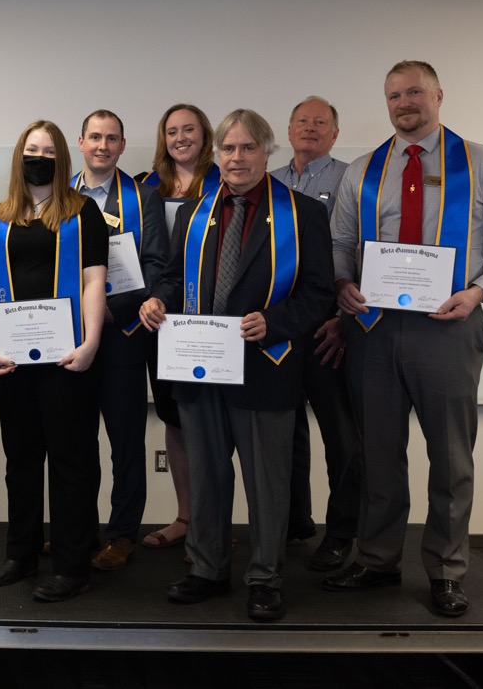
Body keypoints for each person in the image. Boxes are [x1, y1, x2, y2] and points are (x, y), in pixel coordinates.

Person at [323, 61, 483, 617]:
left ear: (439, 94)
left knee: (449, 456)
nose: (403, 103)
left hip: (449, 327)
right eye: (394, 95)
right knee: (377, 453)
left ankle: (446, 569)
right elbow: (340, 241)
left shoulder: (482, 162)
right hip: (373, 331)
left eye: (414, 91)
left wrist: (479, 291)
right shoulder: (364, 169)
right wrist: (343, 280)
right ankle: (376, 559)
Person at [139, 109, 334, 621]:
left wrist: (275, 321)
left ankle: (265, 577)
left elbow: (318, 295)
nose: (236, 158)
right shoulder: (193, 214)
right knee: (205, 476)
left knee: (267, 482)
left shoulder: (303, 213)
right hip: (200, 367)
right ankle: (208, 568)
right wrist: (157, 301)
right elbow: (173, 277)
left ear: (265, 152)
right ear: (216, 154)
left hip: (265, 366)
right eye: (228, 149)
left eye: (248, 148)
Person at [0, 120, 108, 603]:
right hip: (12, 359)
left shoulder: (83, 213)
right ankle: (22, 552)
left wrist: (91, 341)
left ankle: (73, 564)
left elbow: (95, 281)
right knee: (22, 459)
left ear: (62, 158)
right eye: (32, 149)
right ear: (18, 155)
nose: (39, 156)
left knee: (72, 461)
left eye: (48, 150)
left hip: (68, 355)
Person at [269, 96, 363, 573]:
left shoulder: (353, 179)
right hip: (281, 328)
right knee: (284, 432)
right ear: (288, 130)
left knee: (341, 436)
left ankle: (342, 532)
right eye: (302, 121)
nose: (310, 128)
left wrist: (346, 321)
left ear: (334, 133)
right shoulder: (271, 184)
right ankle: (293, 522)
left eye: (320, 122)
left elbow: (363, 250)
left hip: (329, 327)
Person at [72, 111, 167, 572]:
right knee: (76, 442)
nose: (102, 146)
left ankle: (123, 534)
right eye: (95, 137)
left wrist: (116, 308)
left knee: (126, 442)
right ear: (81, 141)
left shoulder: (145, 196)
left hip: (124, 335)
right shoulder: (59, 195)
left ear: (123, 145)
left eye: (112, 138)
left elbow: (155, 264)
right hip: (71, 338)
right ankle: (81, 532)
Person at [138, 104, 221, 552]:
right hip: (161, 320)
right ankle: (186, 517)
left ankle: (216, 523)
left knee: (213, 422)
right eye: (172, 131)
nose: (181, 137)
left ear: (205, 134)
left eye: (189, 129)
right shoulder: (142, 187)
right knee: (175, 419)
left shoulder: (225, 181)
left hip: (211, 322)